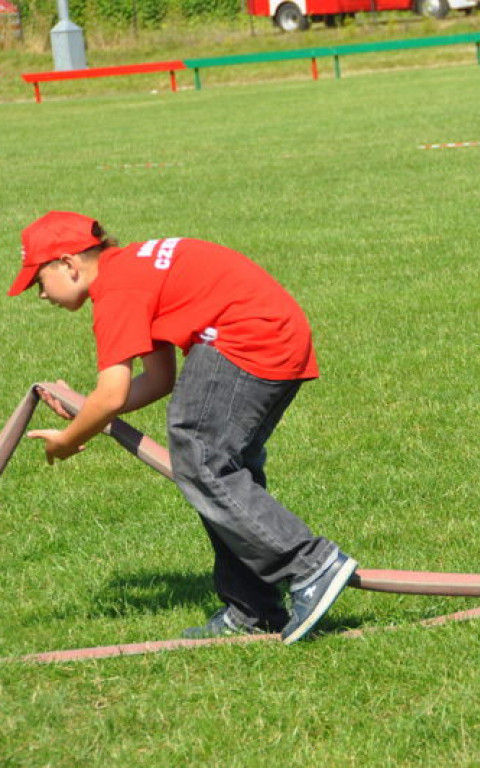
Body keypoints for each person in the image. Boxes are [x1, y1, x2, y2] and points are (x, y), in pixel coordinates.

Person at [8, 211, 357, 643]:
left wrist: (67, 439)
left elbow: (112, 395)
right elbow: (158, 380)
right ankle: (253, 608)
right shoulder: (131, 269)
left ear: (68, 263)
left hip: (248, 338)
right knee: (220, 472)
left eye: (38, 281)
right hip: (272, 334)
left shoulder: (116, 289)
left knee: (198, 455)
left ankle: (312, 565)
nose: (41, 295)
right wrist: (85, 412)